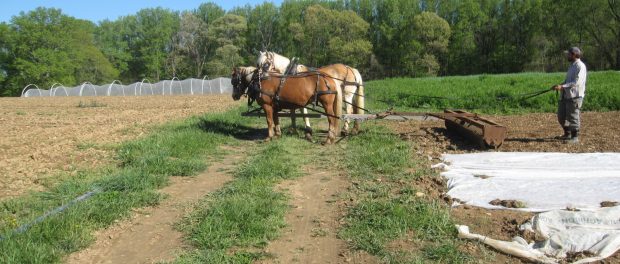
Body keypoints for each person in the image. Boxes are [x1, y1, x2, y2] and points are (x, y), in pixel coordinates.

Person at [552, 47, 587, 144]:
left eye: (568, 54)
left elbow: (576, 82)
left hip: (575, 96)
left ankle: (575, 137)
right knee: (561, 116)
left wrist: (562, 87)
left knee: (573, 117)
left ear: (574, 54)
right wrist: (559, 85)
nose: (567, 56)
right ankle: (567, 134)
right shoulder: (571, 66)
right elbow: (568, 81)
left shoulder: (580, 66)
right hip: (566, 95)